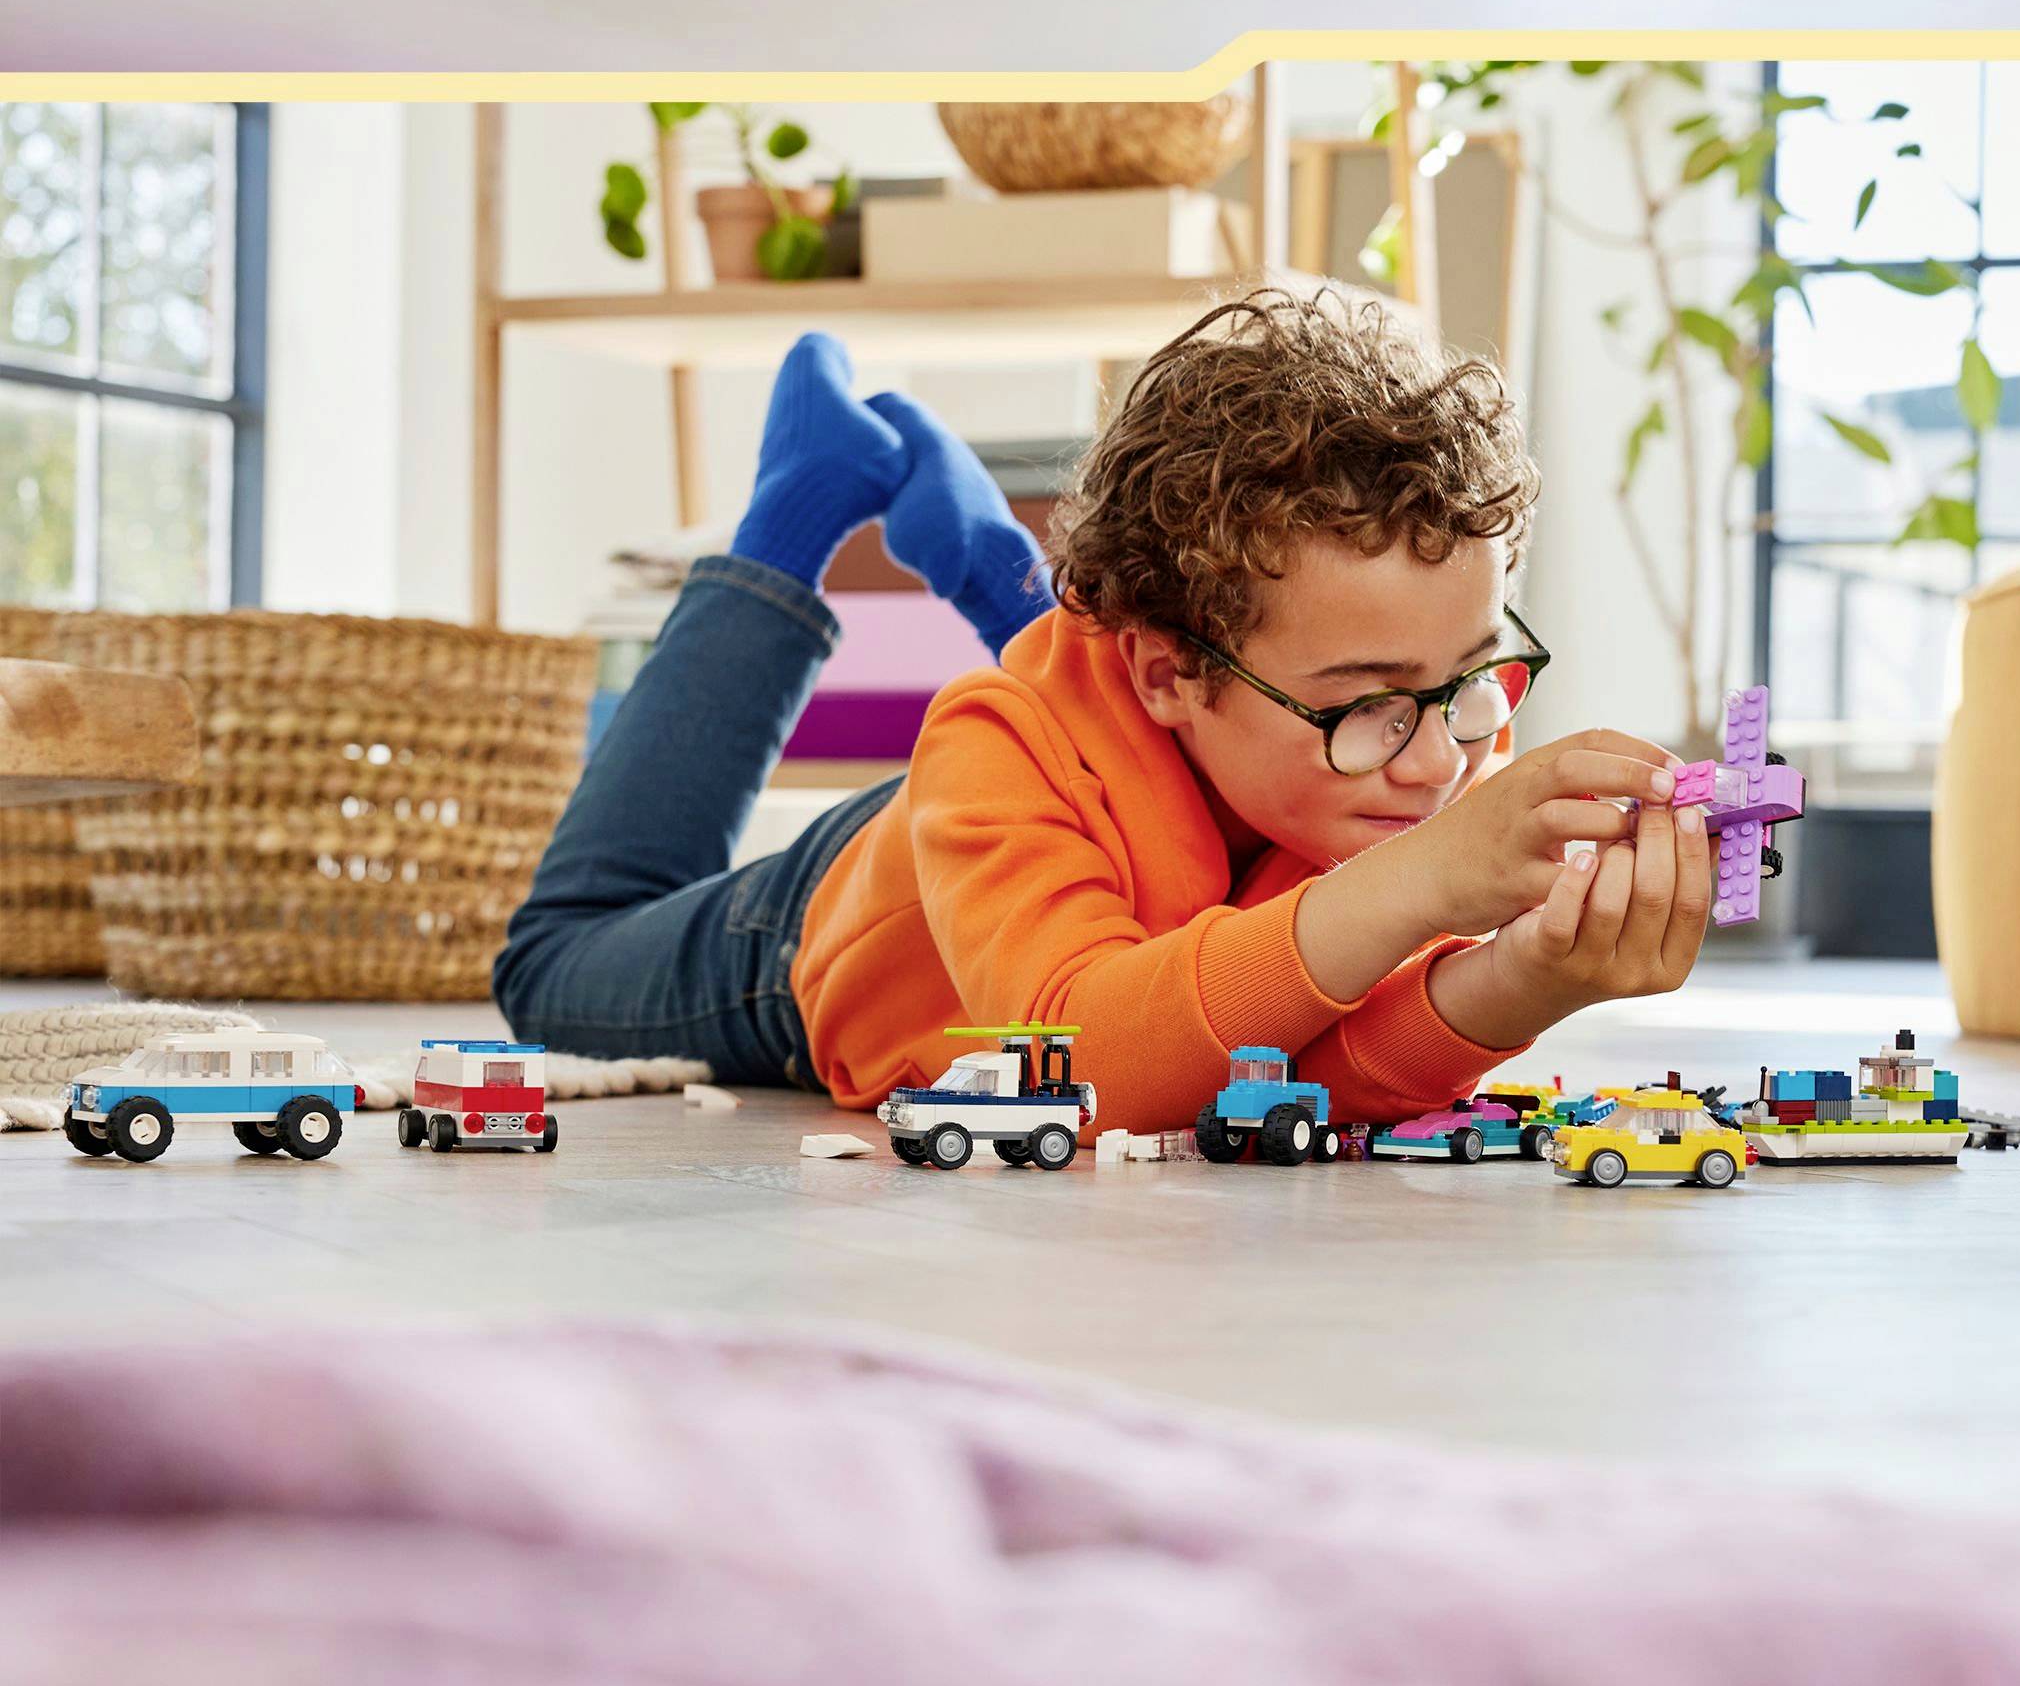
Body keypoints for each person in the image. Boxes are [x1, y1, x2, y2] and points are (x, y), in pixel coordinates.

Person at [493, 289, 1717, 1133]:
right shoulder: (1003, 748)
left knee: (1120, 710)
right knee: (554, 962)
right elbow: (1075, 1059)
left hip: (1107, 780)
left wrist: (1526, 974)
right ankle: (798, 507)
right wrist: (1427, 883)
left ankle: (996, 563)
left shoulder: (1416, 724)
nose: (1444, 758)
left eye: (1471, 676)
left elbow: (1301, 1070)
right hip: (833, 932)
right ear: (1164, 674)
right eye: (1370, 705)